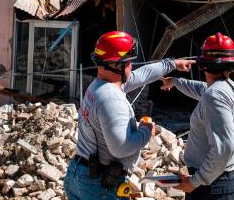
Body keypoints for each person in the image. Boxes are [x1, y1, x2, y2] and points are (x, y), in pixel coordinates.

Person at [64, 31, 195, 199]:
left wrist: (172, 64)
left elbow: (143, 75)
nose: (131, 67)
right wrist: (146, 131)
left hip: (80, 175)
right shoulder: (111, 99)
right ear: (117, 66)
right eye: (128, 63)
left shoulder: (100, 86)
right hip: (99, 185)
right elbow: (121, 148)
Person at [161, 32, 234, 200]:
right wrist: (175, 82)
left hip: (212, 186)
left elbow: (224, 148)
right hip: (220, 180)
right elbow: (201, 89)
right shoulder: (229, 87)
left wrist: (195, 181)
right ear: (231, 64)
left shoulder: (214, 95)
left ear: (203, 65)